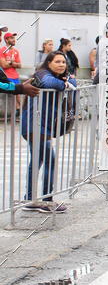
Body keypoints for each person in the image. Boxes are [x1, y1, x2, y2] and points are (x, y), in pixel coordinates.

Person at [21, 51, 77, 213]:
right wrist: (65, 84)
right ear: (49, 62)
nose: (61, 65)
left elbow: (74, 82)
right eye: (57, 62)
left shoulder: (59, 76)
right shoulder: (41, 74)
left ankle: (30, 199)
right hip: (34, 124)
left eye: (63, 62)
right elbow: (49, 83)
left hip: (42, 125)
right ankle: (47, 201)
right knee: (49, 160)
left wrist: (68, 81)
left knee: (37, 161)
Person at [1, 32, 23, 115]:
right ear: (6, 40)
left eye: (14, 38)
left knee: (18, 94)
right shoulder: (2, 50)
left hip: (15, 76)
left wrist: (11, 63)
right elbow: (3, 65)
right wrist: (13, 63)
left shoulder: (16, 51)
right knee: (12, 94)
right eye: (11, 38)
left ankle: (20, 110)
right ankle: (12, 113)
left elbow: (20, 65)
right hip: (6, 76)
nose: (14, 40)